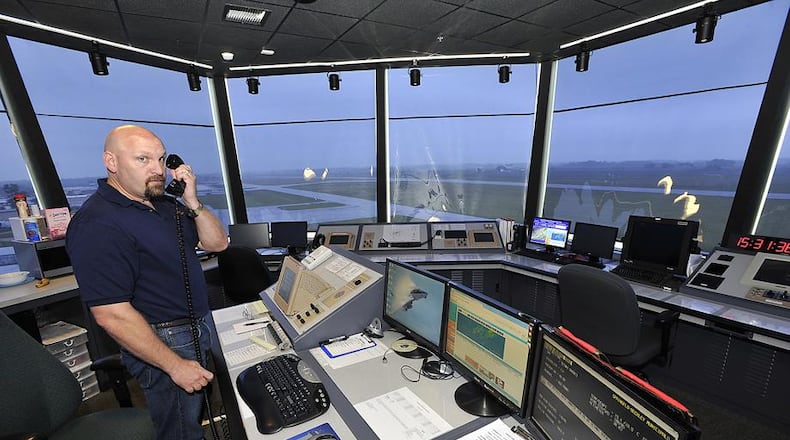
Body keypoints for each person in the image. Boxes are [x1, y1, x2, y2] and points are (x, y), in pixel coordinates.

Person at [66, 125, 228, 440]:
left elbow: (217, 243)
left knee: (193, 415)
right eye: (143, 159)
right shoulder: (97, 223)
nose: (157, 170)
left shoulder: (165, 204)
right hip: (163, 340)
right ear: (111, 162)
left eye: (160, 159)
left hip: (197, 325)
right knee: (179, 429)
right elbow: (111, 314)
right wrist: (175, 366)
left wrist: (192, 201)